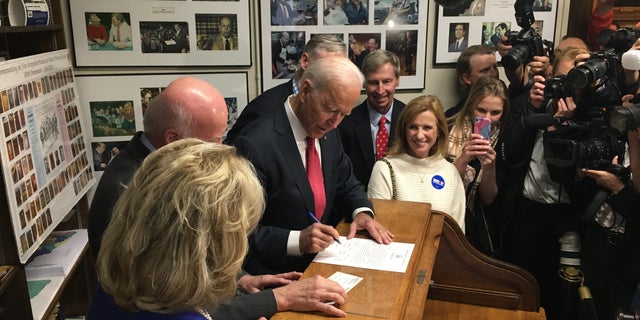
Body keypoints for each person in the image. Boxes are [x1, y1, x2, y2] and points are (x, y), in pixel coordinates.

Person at [88, 77, 349, 319]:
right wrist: (278, 299)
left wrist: (241, 279)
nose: (222, 146)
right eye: (214, 139)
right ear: (173, 139)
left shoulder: (158, 171)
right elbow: (170, 298)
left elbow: (190, 260)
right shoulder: (127, 189)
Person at [232, 56, 394, 275]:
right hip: (273, 274)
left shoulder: (327, 129)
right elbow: (238, 231)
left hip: (322, 262)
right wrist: (297, 240)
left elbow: (347, 183)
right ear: (306, 91)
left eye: (343, 114)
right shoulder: (255, 144)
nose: (335, 122)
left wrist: (362, 212)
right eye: (330, 109)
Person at [499, 47, 593, 320]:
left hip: (565, 220)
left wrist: (561, 128)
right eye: (562, 78)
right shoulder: (528, 101)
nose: (566, 88)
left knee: (558, 302)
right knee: (519, 295)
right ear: (550, 72)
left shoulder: (590, 115)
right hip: (525, 214)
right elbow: (508, 154)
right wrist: (533, 110)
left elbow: (566, 177)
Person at [367, 95, 466, 230]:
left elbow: (457, 233)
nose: (420, 135)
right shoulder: (384, 168)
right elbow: (378, 227)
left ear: (439, 131)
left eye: (427, 128)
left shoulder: (450, 172)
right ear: (404, 130)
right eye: (413, 127)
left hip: (440, 250)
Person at [226, 34, 346, 144]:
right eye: (327, 69)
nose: (334, 77)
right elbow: (234, 153)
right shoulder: (265, 107)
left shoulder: (334, 116)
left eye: (339, 71)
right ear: (305, 61)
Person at [445, 77, 510, 255]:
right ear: (471, 106)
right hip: (445, 213)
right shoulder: (449, 127)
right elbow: (439, 185)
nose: (487, 118)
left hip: (476, 223)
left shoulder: (505, 139)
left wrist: (489, 169)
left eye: (495, 113)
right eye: (481, 110)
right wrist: (463, 159)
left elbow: (488, 199)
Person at [338, 50, 406, 189]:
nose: (380, 90)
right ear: (363, 83)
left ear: (397, 80)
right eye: (373, 82)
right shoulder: (346, 123)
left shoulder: (410, 118)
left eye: (387, 81)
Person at [445, 45, 500, 117]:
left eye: (495, 67)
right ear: (467, 78)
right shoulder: (453, 117)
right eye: (485, 70)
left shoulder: (510, 107)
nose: (494, 74)